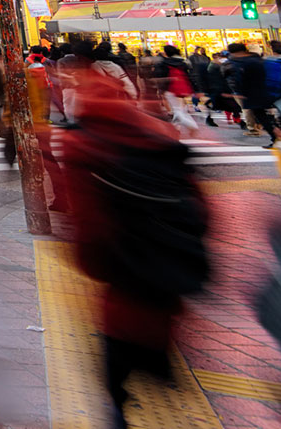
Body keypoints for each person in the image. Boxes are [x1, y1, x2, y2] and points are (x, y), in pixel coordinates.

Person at [63, 62, 209, 426]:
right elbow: (196, 196)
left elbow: (87, 218)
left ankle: (117, 402)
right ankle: (159, 370)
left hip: (121, 256)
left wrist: (92, 261)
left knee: (120, 330)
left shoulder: (82, 143)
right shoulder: (158, 131)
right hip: (170, 246)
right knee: (158, 314)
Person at [228, 42, 277, 146]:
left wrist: (240, 91)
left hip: (256, 93)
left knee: (262, 116)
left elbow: (242, 79)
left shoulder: (246, 62)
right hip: (261, 92)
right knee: (264, 115)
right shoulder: (256, 59)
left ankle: (275, 136)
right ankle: (275, 136)